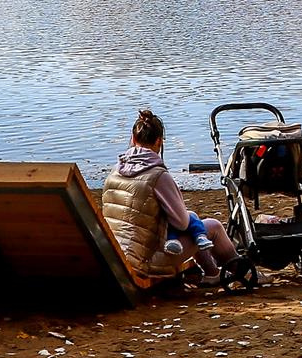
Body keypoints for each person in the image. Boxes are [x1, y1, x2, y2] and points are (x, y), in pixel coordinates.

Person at [102, 108, 242, 287]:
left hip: (115, 254)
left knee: (193, 219)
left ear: (133, 138)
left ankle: (212, 272)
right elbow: (182, 223)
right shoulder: (158, 175)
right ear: (159, 142)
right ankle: (241, 270)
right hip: (145, 259)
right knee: (212, 226)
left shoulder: (115, 171)